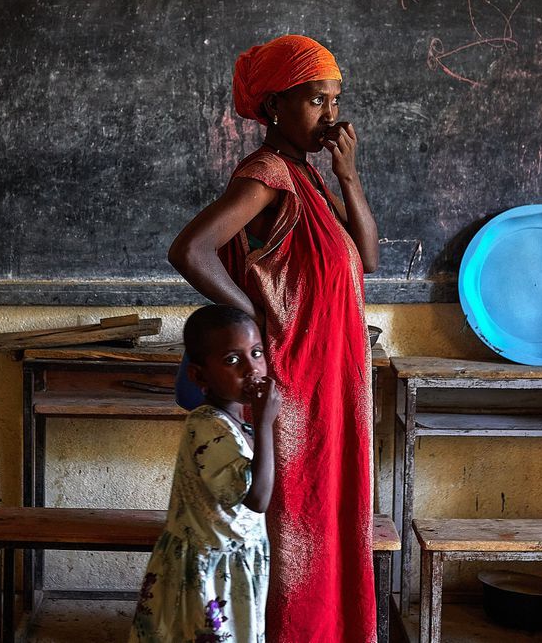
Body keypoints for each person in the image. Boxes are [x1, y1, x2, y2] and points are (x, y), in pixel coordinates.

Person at [168, 35, 379, 643]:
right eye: (316, 101)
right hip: (294, 384)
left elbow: (364, 256)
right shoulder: (266, 176)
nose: (330, 117)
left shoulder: (310, 179)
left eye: (335, 102)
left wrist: (349, 176)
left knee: (327, 514)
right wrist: (253, 319)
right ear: (275, 107)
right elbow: (190, 249)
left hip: (330, 382)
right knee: (296, 526)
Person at [129, 304, 281, 643]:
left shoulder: (236, 421)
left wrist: (258, 423)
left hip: (235, 559)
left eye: (256, 353)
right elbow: (257, 500)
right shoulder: (207, 426)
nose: (252, 368)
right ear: (199, 376)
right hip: (209, 570)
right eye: (232, 360)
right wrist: (266, 422)